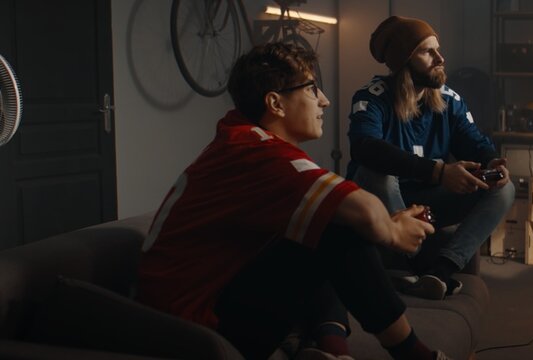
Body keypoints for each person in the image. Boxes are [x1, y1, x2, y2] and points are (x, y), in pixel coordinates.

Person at [137, 43, 451, 360]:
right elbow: (365, 210)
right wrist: (394, 233)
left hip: (191, 311)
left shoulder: (240, 135)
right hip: (191, 331)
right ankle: (416, 356)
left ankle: (330, 349)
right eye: (313, 89)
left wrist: (388, 223)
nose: (325, 101)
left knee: (321, 224)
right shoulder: (258, 153)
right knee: (337, 228)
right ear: (276, 103)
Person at [347, 16, 515, 300]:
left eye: (438, 49)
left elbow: (472, 140)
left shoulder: (450, 99)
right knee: (376, 173)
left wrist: (491, 161)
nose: (440, 58)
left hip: (430, 202)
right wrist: (438, 172)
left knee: (504, 188)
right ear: (403, 61)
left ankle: (440, 270)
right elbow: (365, 147)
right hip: (385, 206)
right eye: (428, 52)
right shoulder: (372, 97)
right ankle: (415, 260)